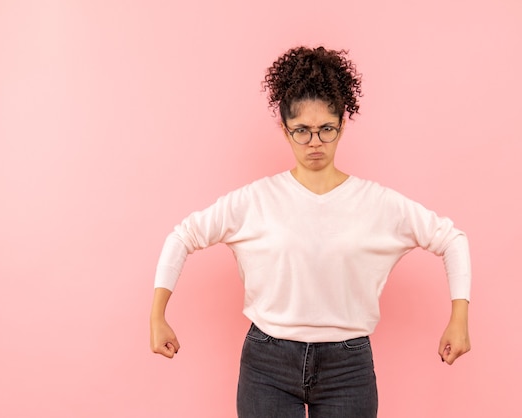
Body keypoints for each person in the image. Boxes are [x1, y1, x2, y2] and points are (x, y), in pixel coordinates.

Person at [150, 46, 471, 418]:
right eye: (302, 131)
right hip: (266, 363)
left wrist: (459, 319)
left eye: (326, 130)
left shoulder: (378, 203)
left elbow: (452, 239)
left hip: (347, 367)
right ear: (285, 130)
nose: (315, 143)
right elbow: (183, 235)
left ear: (342, 125)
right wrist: (157, 316)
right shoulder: (255, 200)